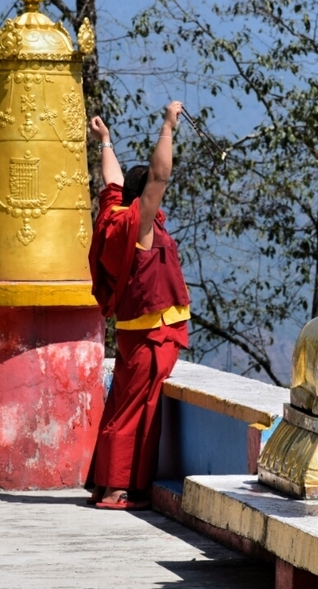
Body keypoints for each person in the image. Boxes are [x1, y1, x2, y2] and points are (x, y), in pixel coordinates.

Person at [85, 101, 190, 510]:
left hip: (138, 329)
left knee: (128, 404)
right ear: (142, 197)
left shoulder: (112, 214)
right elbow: (160, 174)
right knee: (130, 410)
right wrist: (167, 126)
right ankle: (114, 489)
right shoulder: (137, 225)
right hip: (150, 331)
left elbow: (111, 180)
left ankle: (115, 485)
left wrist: (105, 141)